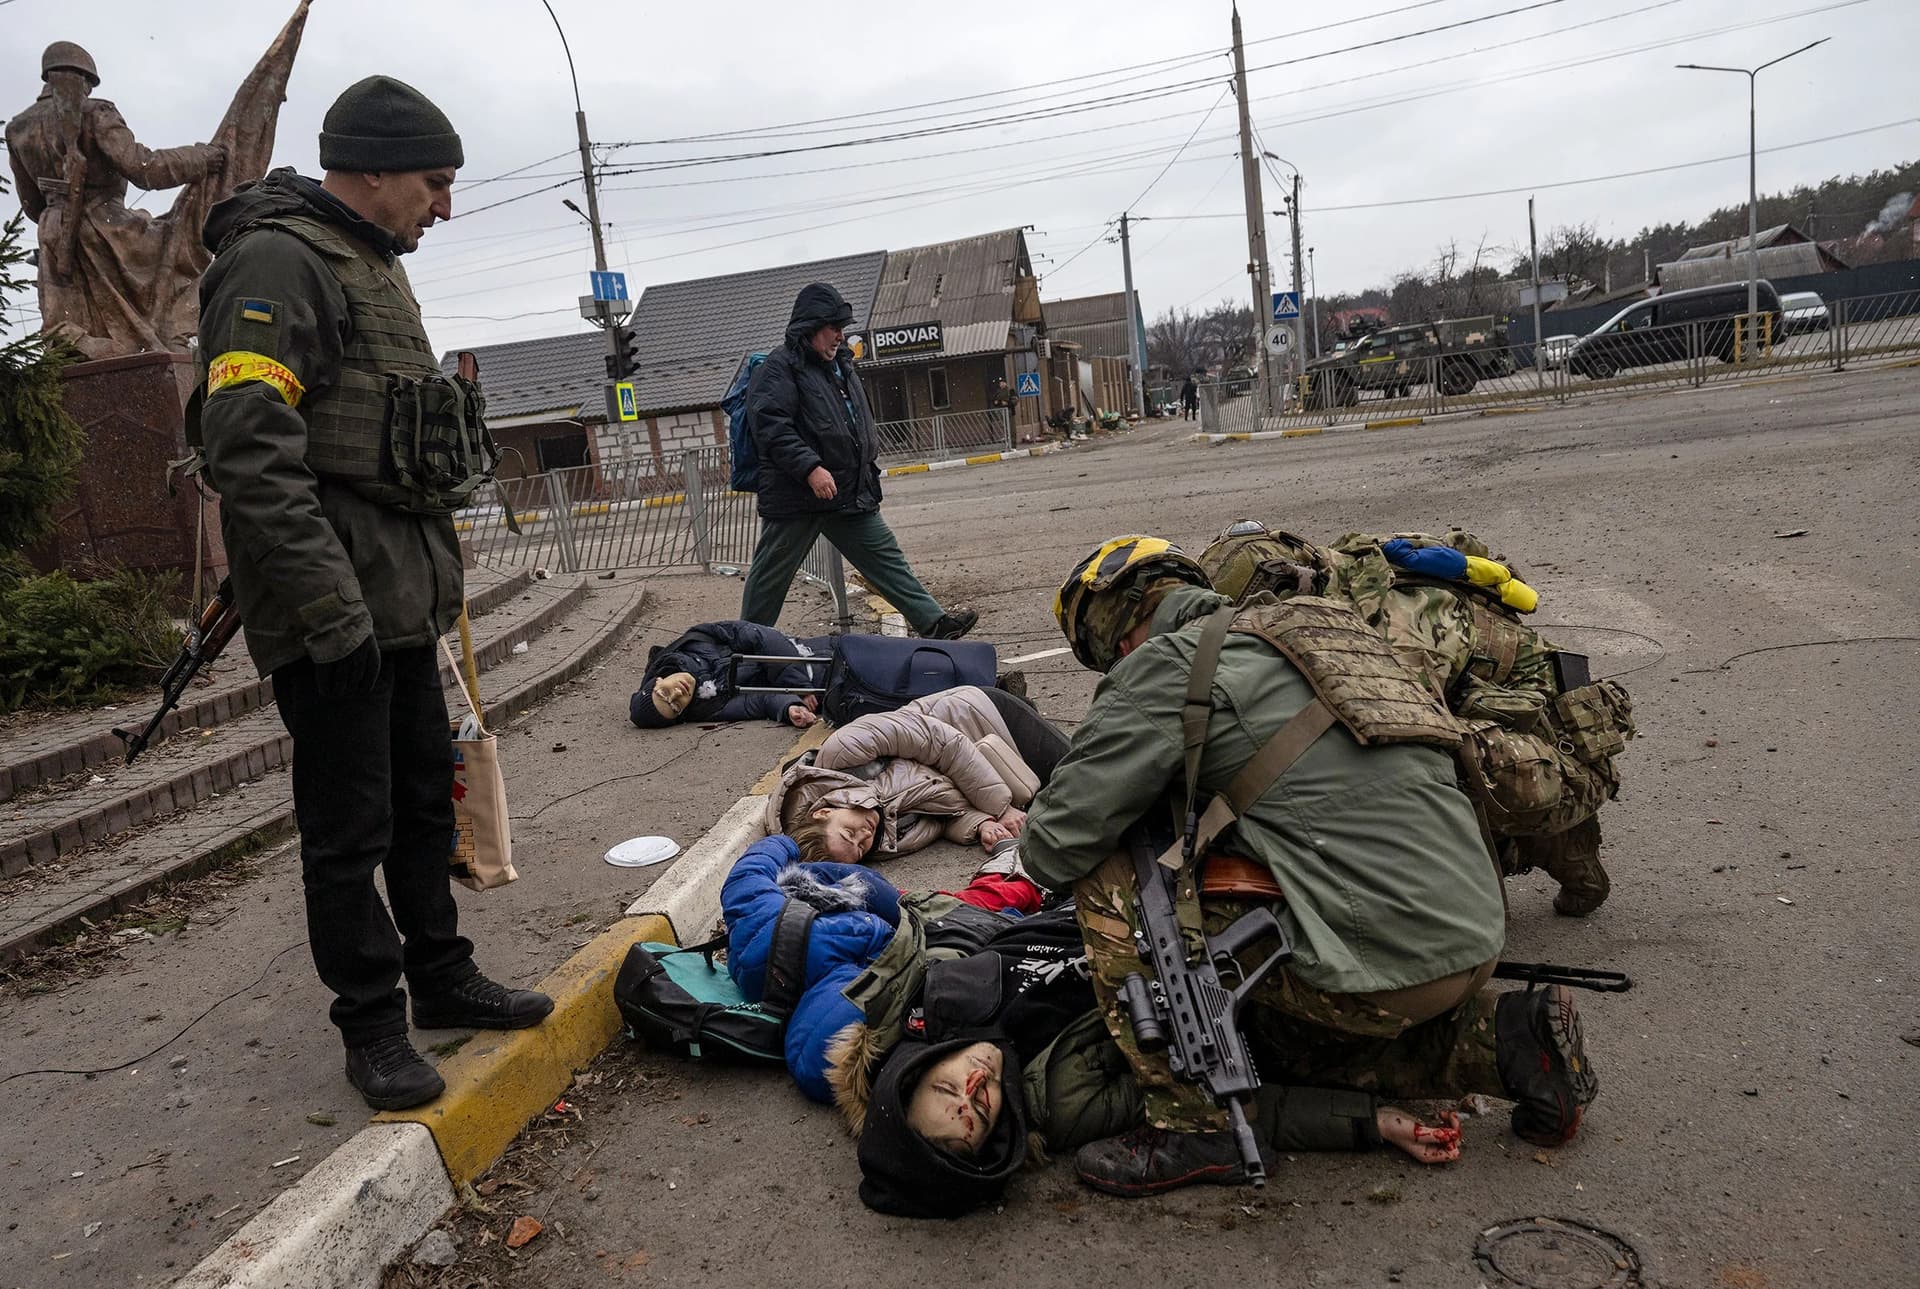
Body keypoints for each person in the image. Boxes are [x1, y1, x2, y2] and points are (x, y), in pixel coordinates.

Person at [1021, 535, 1601, 1196]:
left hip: (1384, 962)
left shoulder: (1167, 665)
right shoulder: (1327, 627)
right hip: (1472, 933)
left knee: (1117, 874)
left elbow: (1052, 845)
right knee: (1280, 1040)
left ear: (1118, 638)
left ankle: (1195, 1124)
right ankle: (1509, 1039)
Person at [192, 76, 551, 1111]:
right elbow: (251, 454)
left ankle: (440, 974)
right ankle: (372, 1024)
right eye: (434, 184)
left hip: (399, 602)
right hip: (336, 612)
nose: (443, 206)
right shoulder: (275, 260)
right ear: (376, 168)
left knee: (421, 814)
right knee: (348, 832)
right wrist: (327, 614)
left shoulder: (371, 264)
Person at [719, 830, 1472, 1218]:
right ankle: (1504, 1037)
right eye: (976, 1115)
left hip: (1088, 891)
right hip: (1187, 937)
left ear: (917, 1065)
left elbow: (941, 920)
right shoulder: (1066, 1101)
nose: (974, 1087)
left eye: (949, 1088)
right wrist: (1375, 1124)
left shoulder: (922, 998)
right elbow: (1224, 1101)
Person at [1198, 521, 1634, 916]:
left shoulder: (1390, 629)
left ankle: (1529, 857)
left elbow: (1404, 750)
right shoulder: (1347, 575)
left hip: (1558, 757)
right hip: (1500, 720)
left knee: (1397, 772)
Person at [737, 282, 976, 641]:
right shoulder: (779, 368)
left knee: (885, 556)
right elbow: (770, 426)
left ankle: (932, 623)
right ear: (810, 327)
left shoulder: (840, 366)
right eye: (833, 327)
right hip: (798, 497)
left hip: (846, 491)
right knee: (771, 576)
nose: (840, 335)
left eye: (842, 328)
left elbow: (850, 422)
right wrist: (810, 468)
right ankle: (743, 644)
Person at [765, 685, 1059, 859]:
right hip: (1006, 772)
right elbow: (940, 815)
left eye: (850, 833)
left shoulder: (844, 750)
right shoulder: (883, 843)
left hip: (980, 719)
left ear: (823, 813)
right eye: (858, 850)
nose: (863, 837)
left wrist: (1001, 808)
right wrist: (981, 824)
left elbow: (944, 744)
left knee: (1087, 777)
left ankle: (1007, 695)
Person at [628, 619, 825, 730]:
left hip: (805, 654)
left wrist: (798, 684)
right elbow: (757, 702)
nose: (677, 694)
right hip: (821, 687)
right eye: (676, 706)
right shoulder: (706, 708)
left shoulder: (693, 641)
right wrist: (789, 708)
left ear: (657, 681)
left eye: (664, 693)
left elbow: (754, 634)